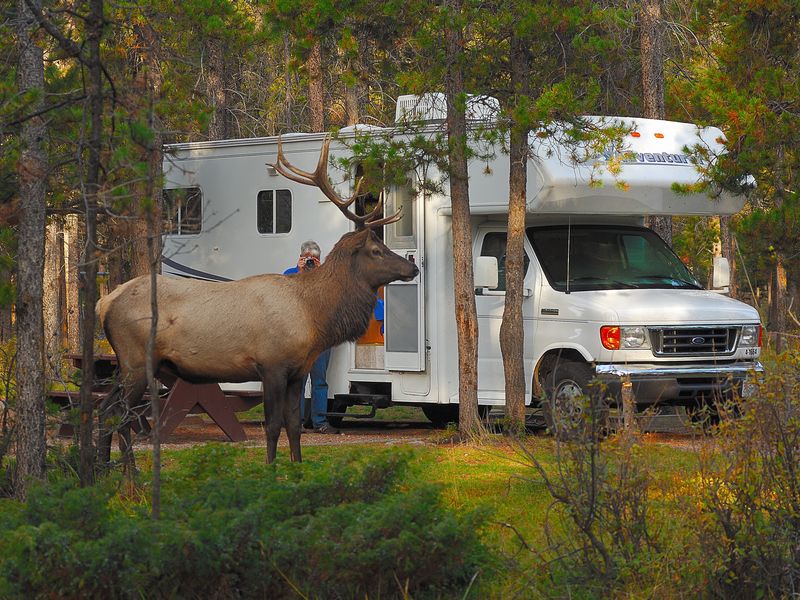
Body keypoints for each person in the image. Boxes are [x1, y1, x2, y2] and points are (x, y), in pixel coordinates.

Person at [284, 240, 339, 434]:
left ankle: (320, 422)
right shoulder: (290, 275)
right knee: (298, 381)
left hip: (322, 338)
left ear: (319, 259)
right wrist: (299, 273)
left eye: (314, 258)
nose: (310, 262)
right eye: (307, 258)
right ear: (300, 257)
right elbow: (285, 300)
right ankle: (295, 423)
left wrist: (320, 271)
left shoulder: (327, 277)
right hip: (300, 339)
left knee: (320, 381)